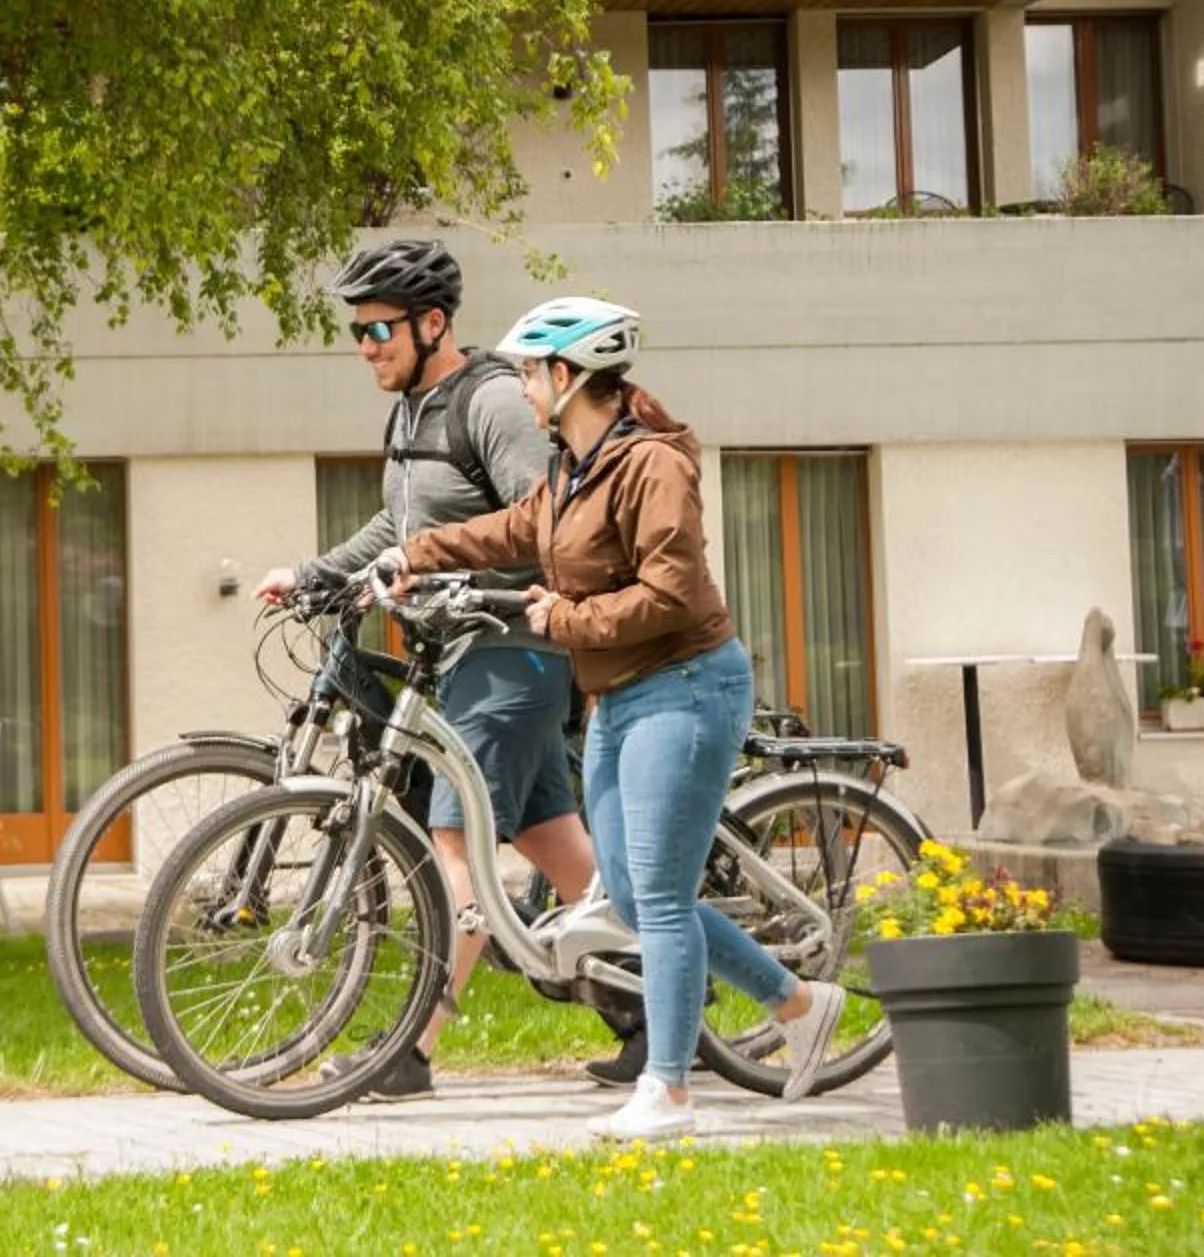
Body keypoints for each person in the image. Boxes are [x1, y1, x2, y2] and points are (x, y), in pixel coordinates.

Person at [385, 293, 847, 1141]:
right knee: (633, 897)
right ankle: (799, 1003)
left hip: (687, 686)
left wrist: (561, 622)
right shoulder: (569, 468)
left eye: (529, 371)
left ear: (567, 376)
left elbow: (668, 596)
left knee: (661, 899)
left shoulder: (652, 467)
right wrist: (411, 552)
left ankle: (668, 1091)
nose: (521, 386)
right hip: (618, 693)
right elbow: (511, 528)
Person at [251, 238, 601, 1101]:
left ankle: (410, 1048)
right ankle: (656, 1004)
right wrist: (315, 573)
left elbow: (544, 522)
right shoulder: (412, 411)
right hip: (464, 659)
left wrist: (453, 578)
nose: (365, 347)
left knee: (454, 848)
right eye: (357, 333)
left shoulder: (490, 404)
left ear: (431, 322)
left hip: (514, 654)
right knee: (558, 851)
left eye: (379, 330)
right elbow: (398, 529)